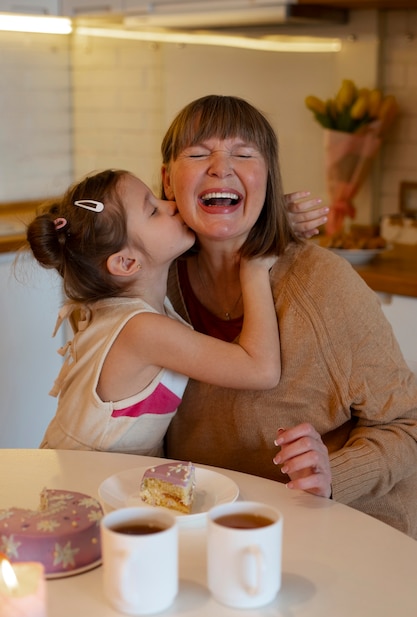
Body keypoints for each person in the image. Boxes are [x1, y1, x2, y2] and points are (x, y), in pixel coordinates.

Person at [161, 94, 417, 538]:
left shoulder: (324, 284)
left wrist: (334, 474)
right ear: (168, 182)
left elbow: (408, 422)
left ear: (267, 180)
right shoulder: (153, 285)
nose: (221, 167)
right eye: (198, 153)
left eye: (243, 154)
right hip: (208, 531)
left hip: (343, 535)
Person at [26, 169, 281, 456]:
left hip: (99, 478)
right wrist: (254, 270)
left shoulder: (119, 310)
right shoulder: (142, 330)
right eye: (153, 211)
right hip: (85, 485)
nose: (171, 205)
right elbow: (261, 370)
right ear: (125, 262)